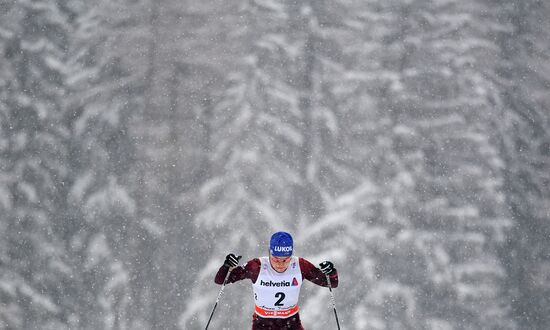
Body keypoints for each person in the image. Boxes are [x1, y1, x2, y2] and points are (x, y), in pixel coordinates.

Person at [214, 231, 339, 330]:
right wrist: (227, 266)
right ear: (269, 253)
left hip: (291, 323)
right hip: (262, 324)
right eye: (276, 259)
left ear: (291, 256)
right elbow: (221, 280)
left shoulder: (300, 265)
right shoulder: (256, 266)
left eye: (285, 260)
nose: (280, 264)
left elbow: (331, 283)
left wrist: (331, 272)